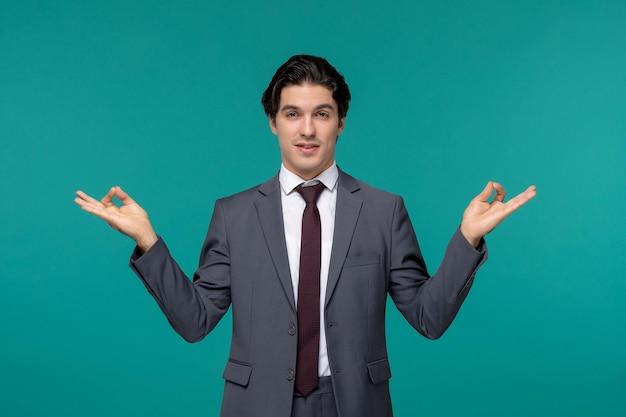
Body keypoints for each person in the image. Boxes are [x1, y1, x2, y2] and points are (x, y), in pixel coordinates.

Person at [74, 55, 536, 417]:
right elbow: (196, 321)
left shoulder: (382, 210)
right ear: (273, 121)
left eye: (322, 113)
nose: (308, 129)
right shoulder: (233, 215)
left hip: (354, 404)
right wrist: (148, 242)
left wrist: (467, 238)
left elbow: (428, 318)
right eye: (293, 113)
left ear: (341, 121)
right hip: (257, 406)